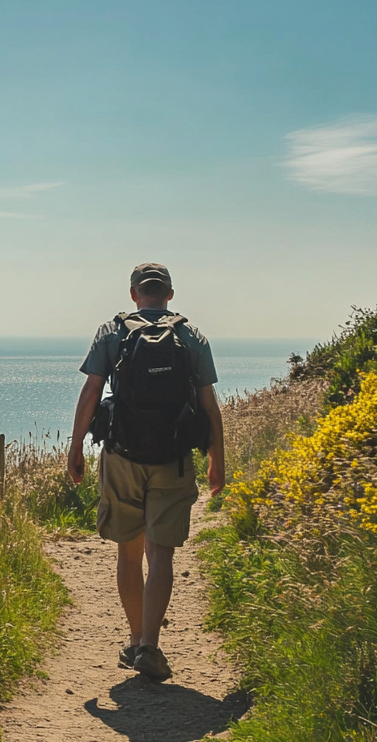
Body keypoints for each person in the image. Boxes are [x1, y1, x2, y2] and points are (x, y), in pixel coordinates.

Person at [66, 263, 225, 681]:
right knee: (162, 554)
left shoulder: (112, 331)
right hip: (173, 459)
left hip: (122, 455)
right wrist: (216, 459)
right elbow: (209, 405)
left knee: (129, 551)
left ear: (135, 293)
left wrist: (76, 446)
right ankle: (151, 647)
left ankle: (135, 640)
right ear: (169, 294)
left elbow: (90, 393)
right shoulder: (191, 336)